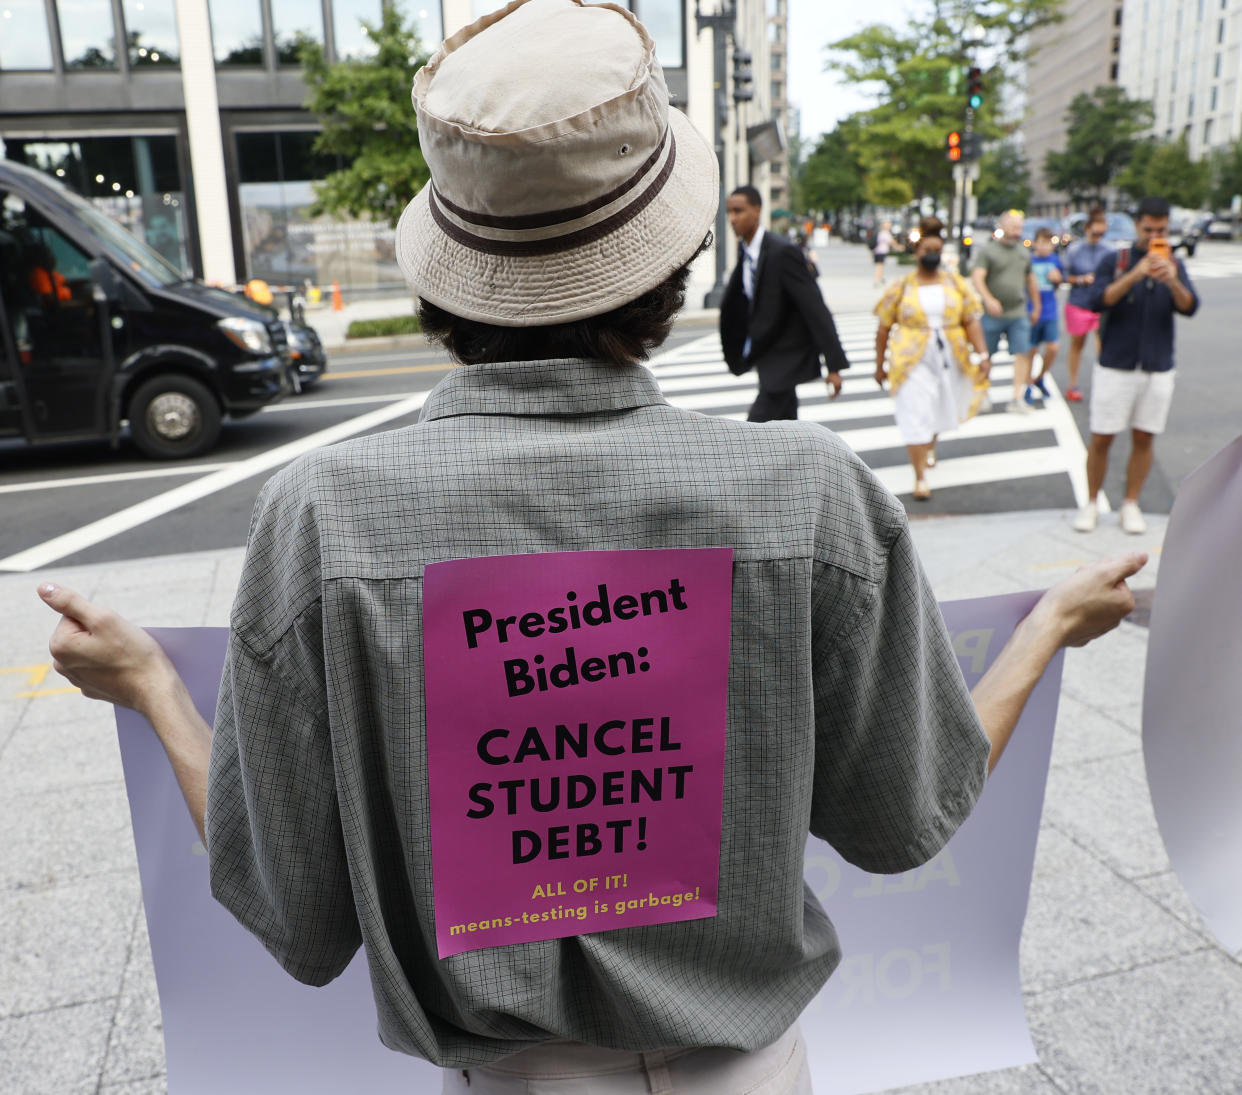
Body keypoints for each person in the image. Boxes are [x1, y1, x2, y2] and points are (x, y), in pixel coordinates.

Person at [39, 2, 1148, 1092]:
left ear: (446, 276)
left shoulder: (325, 515)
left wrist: (151, 685)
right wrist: (1046, 625)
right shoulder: (808, 493)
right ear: (667, 270)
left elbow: (298, 913)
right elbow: (909, 820)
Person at [1073, 196, 1199, 535]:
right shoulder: (1116, 260)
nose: (1154, 234)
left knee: (1145, 437)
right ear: (1136, 226)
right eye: (1148, 228)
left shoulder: (1174, 262)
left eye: (1161, 229)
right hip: (1116, 363)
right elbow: (1099, 300)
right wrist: (1135, 274)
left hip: (1157, 365)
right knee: (1102, 437)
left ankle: (1131, 503)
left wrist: (1171, 279)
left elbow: (1190, 307)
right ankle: (1091, 502)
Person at [873, 216, 992, 501]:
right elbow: (883, 328)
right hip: (910, 358)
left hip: (950, 355)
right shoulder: (901, 287)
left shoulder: (956, 283)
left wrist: (983, 353)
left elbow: (971, 320)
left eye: (937, 250)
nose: (932, 255)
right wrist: (879, 366)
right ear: (916, 253)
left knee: (939, 406)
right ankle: (920, 476)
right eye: (927, 250)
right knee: (915, 412)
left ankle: (930, 446)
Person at [719, 185, 848, 421]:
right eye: (729, 212)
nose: (732, 218)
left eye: (739, 211)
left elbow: (815, 307)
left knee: (757, 430)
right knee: (785, 426)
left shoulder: (783, 252)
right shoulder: (746, 251)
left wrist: (833, 365)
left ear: (757, 210)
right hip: (765, 352)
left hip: (785, 355)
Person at [969, 210, 1041, 415]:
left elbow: (1031, 280)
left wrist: (1036, 306)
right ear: (1002, 227)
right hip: (992, 313)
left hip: (1017, 311)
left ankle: (1017, 397)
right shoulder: (989, 251)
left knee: (1022, 353)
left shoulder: (1023, 252)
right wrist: (988, 299)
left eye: (1019, 227)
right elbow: (977, 277)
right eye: (1013, 227)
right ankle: (983, 393)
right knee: (986, 354)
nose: (1017, 232)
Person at [1061, 207, 1110, 402]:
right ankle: (1072, 383)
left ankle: (1105, 383)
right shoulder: (1075, 249)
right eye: (1094, 232)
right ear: (1087, 229)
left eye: (1101, 233)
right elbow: (1064, 275)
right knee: (1077, 344)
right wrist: (1081, 279)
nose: (1098, 236)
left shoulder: (1108, 250)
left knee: (1103, 345)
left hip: (1101, 304)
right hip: (1079, 302)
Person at [1025, 227, 1064, 406]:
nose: (1045, 246)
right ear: (1035, 243)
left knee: (1053, 347)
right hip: (1031, 309)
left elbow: (1058, 283)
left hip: (1050, 310)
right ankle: (1026, 385)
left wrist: (1057, 279)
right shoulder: (1028, 261)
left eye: (1048, 243)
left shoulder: (1055, 260)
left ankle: (1039, 378)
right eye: (1041, 242)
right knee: (1030, 350)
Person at [871, 220, 895, 286]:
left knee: (880, 266)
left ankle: (880, 278)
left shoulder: (880, 233)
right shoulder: (885, 233)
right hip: (881, 252)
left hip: (878, 251)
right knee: (879, 266)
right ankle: (877, 280)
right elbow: (891, 242)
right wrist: (900, 247)